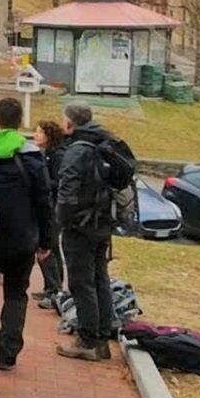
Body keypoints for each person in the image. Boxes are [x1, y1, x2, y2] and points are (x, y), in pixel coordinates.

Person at [0, 98, 53, 372]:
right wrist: (46, 239)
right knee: (16, 293)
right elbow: (43, 200)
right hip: (22, 236)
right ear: (20, 121)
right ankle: (7, 352)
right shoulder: (31, 156)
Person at [56, 104, 117, 362]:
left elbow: (67, 191)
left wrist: (62, 221)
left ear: (70, 123)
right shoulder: (104, 143)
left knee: (81, 282)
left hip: (81, 225)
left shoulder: (77, 150)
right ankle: (103, 335)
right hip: (103, 221)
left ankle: (88, 339)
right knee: (100, 279)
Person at [33, 120, 67, 308]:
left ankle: (55, 290)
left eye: (40, 132)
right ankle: (50, 287)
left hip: (54, 207)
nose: (35, 135)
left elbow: (58, 182)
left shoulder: (57, 156)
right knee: (48, 247)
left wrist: (42, 183)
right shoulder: (47, 155)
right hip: (50, 205)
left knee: (49, 248)